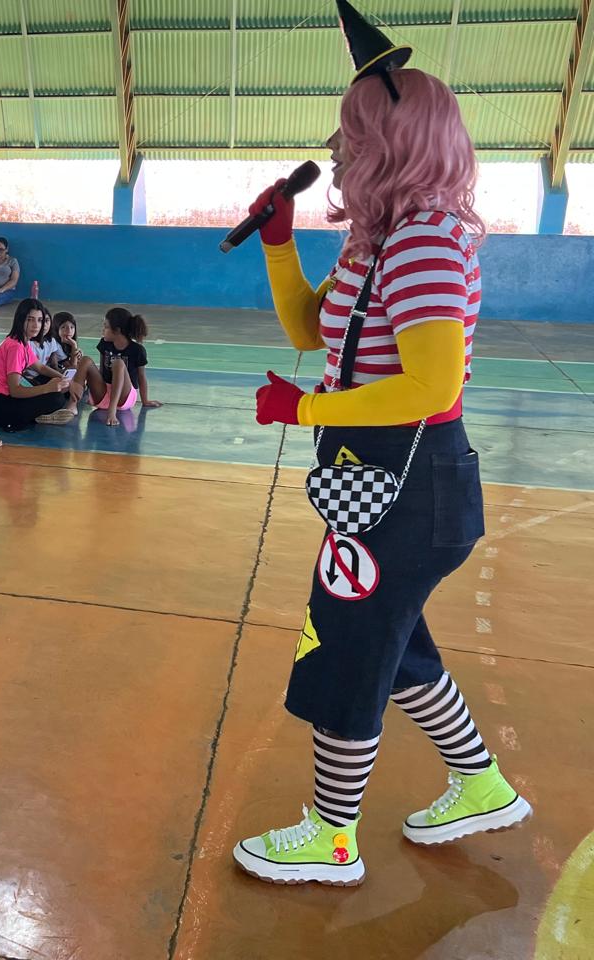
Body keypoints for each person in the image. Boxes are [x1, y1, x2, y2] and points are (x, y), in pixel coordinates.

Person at [231, 2, 530, 888]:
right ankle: (479, 781)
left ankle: (331, 835)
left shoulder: (429, 245)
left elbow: (434, 388)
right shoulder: (378, 242)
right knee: (399, 645)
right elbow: (308, 329)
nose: (339, 145)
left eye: (353, 133)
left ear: (395, 143)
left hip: (414, 482)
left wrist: (306, 414)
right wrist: (279, 244)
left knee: (351, 644)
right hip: (379, 481)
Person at [0, 299, 76, 431]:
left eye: (39, 320)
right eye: (30, 319)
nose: (36, 325)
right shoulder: (15, 347)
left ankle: (38, 415)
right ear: (20, 319)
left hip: (7, 399)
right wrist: (48, 388)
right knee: (56, 398)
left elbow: (41, 367)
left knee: (51, 383)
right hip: (2, 405)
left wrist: (65, 379)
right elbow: (15, 391)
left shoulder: (23, 342)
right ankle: (34, 416)